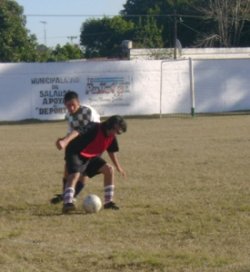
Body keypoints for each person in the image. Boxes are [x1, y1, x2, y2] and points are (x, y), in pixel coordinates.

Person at [62, 115, 127, 213]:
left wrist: (118, 167)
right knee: (75, 174)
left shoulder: (112, 136)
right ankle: (67, 203)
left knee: (109, 169)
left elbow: (111, 151)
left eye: (119, 132)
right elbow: (77, 131)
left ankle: (108, 202)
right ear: (111, 125)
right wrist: (65, 141)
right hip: (76, 152)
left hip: (90, 157)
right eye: (117, 131)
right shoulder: (95, 127)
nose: (117, 134)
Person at [50, 91, 100, 204]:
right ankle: (65, 195)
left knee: (83, 173)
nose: (71, 108)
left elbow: (96, 129)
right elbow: (72, 132)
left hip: (91, 146)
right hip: (77, 145)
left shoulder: (88, 111)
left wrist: (66, 140)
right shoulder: (68, 116)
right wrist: (63, 140)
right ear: (64, 105)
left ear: (78, 102)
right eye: (68, 105)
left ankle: (71, 196)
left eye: (73, 104)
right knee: (68, 168)